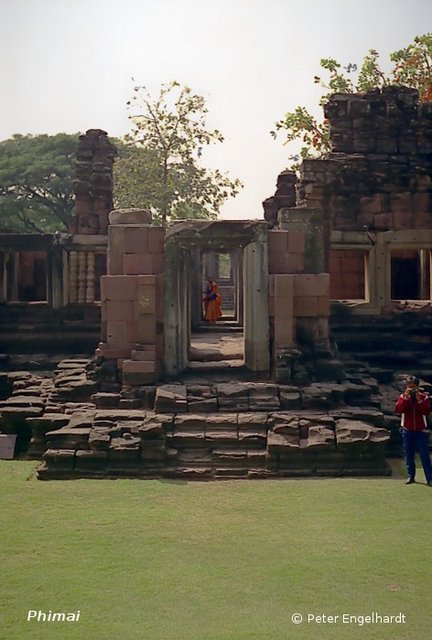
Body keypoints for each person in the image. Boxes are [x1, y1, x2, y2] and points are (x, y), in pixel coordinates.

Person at [395, 375, 432, 486]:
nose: (411, 389)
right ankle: (411, 476)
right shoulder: (402, 397)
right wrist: (406, 398)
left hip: (420, 431)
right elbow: (399, 409)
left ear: (417, 386)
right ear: (406, 387)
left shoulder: (424, 397)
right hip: (407, 430)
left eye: (413, 387)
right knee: (409, 455)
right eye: (409, 387)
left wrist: (419, 400)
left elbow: (426, 411)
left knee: (425, 456)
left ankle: (430, 478)